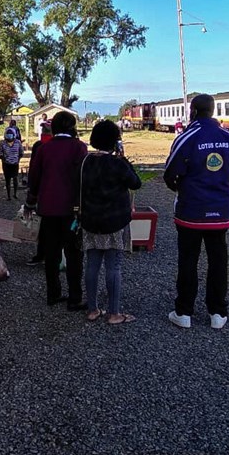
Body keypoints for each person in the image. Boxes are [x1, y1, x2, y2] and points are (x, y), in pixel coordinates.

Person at [164, 94, 229, 329]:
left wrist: (181, 189)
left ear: (193, 111)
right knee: (218, 260)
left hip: (191, 211)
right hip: (220, 210)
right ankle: (217, 312)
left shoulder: (186, 137)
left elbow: (169, 172)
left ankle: (184, 312)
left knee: (188, 259)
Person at [24, 111, 88, 310]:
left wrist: (30, 201)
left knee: (51, 254)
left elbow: (34, 177)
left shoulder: (44, 148)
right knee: (74, 254)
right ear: (72, 127)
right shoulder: (79, 147)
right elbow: (83, 178)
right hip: (72, 210)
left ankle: (53, 294)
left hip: (48, 209)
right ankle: (75, 297)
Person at [80, 120, 142, 324]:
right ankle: (114, 313)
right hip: (114, 222)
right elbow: (136, 182)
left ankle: (92, 309)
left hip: (90, 220)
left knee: (92, 265)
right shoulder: (117, 164)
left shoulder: (86, 161)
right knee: (113, 267)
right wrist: (124, 159)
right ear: (115, 142)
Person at [24, 121, 52, 266]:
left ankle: (42, 255)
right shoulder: (63, 146)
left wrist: (31, 194)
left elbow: (34, 169)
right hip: (60, 192)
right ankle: (54, 256)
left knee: (42, 224)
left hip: (42, 190)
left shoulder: (39, 146)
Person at [0, 128, 24, 199]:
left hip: (15, 164)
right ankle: (8, 196)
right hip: (6, 165)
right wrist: (4, 159)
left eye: (10, 135)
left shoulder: (18, 142)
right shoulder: (3, 143)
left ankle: (15, 194)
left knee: (15, 178)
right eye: (8, 135)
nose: (9, 137)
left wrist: (18, 160)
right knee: (7, 180)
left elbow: (21, 153)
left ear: (14, 135)